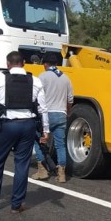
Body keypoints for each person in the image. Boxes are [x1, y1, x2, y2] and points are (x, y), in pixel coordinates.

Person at [0, 51, 49, 214]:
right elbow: (43, 108)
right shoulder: (35, 81)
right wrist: (45, 131)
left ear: (7, 64)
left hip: (6, 125)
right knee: (22, 165)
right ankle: (16, 204)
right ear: (24, 63)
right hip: (27, 125)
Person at [31, 52, 74, 183]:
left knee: (39, 141)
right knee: (60, 145)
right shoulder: (66, 78)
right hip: (61, 114)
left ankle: (42, 170)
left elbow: (35, 96)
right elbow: (70, 99)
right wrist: (67, 112)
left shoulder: (42, 76)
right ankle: (61, 174)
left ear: (45, 64)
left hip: (46, 114)